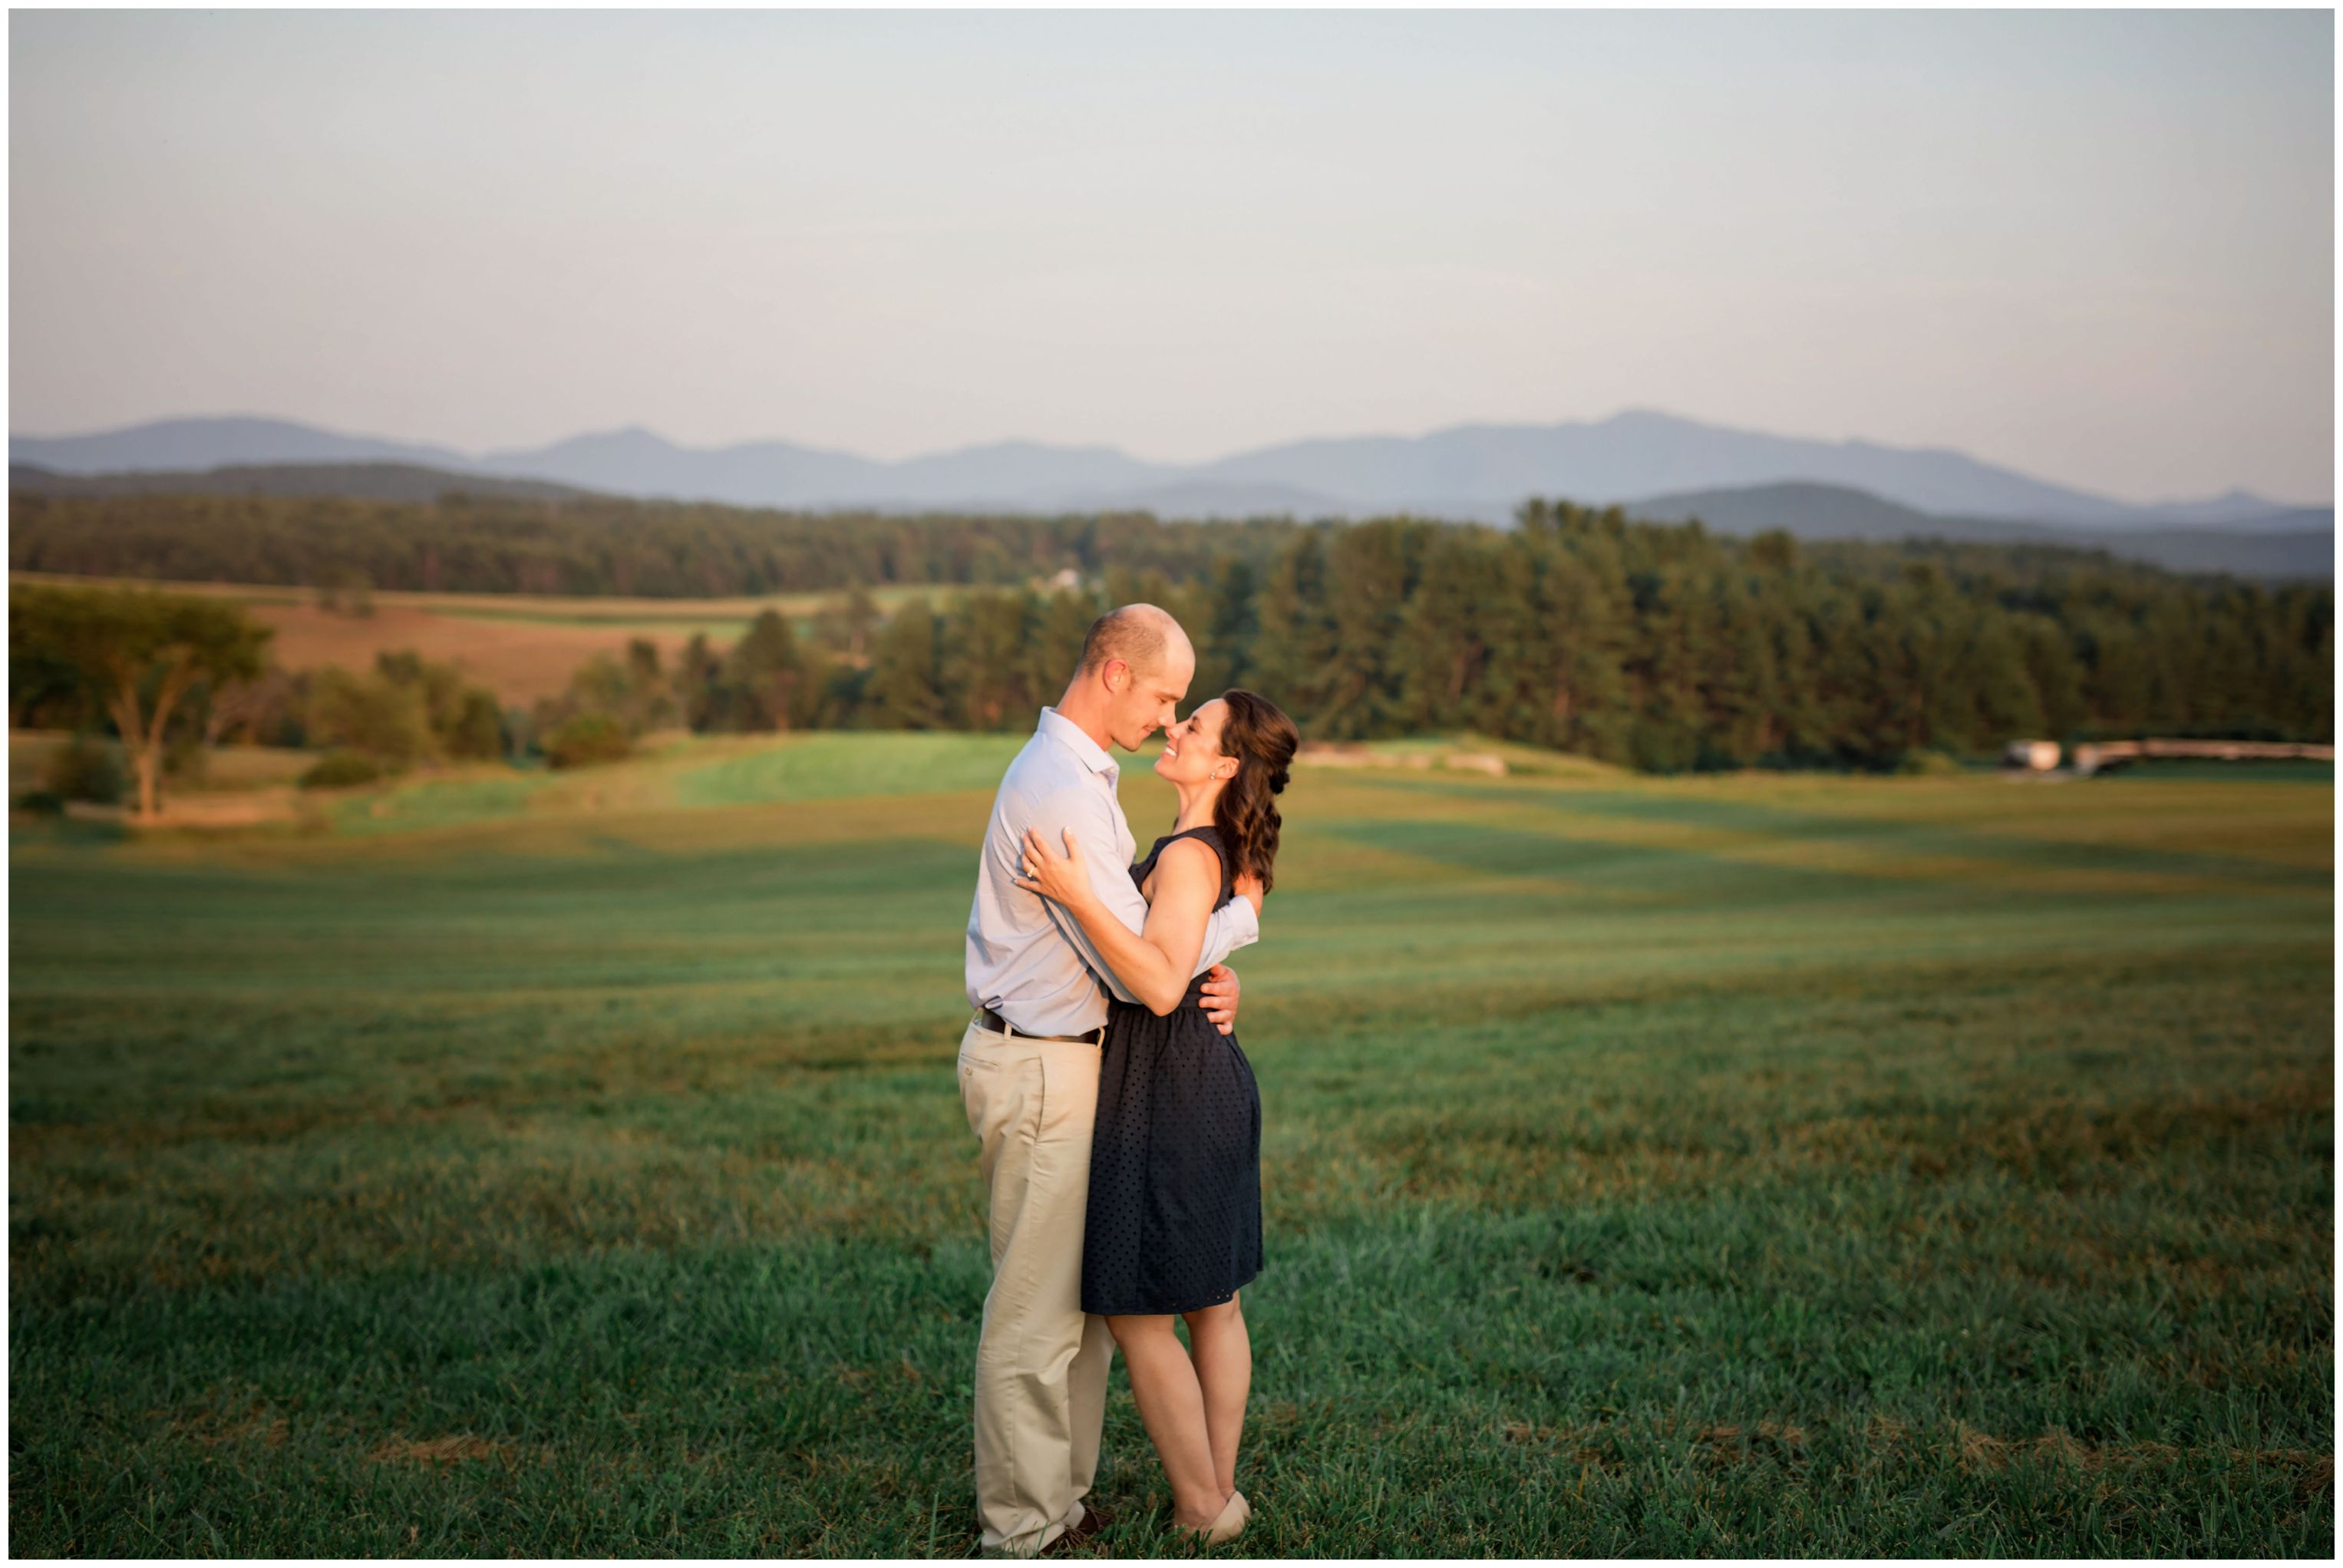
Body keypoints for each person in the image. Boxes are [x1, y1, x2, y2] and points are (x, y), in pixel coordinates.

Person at [959, 604, 1261, 1558]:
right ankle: (1023, 1529)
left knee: (1081, 1314)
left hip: (1083, 1064)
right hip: (1043, 1062)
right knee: (1034, 1318)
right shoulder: (1060, 784)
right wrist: (1233, 928)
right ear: (1115, 673)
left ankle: (1064, 1498)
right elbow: (1143, 964)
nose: (1168, 718)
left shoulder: (1085, 778)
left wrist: (1219, 947)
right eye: (1166, 695)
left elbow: (1150, 939)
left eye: (1187, 708)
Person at [1015, 688, 1299, 1547]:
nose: (1174, 727)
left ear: (1223, 764)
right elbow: (1212, 937)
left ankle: (1203, 1506)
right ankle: (1214, 1492)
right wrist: (1229, 946)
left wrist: (1074, 892)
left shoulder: (1185, 855)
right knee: (1213, 1302)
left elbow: (1164, 982)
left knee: (1141, 1311)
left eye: (1194, 723)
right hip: (1203, 1077)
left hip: (1167, 1088)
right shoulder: (1217, 849)